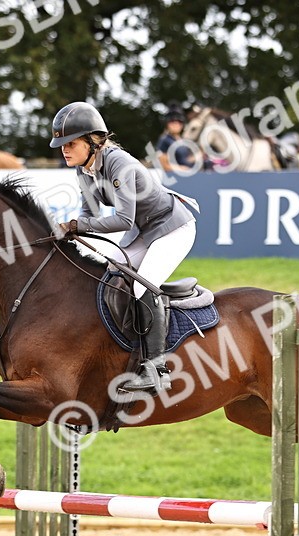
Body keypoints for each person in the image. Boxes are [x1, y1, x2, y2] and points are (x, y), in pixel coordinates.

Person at [51, 101, 198, 395]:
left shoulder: (121, 165)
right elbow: (88, 214)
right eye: (62, 144)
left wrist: (81, 226)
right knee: (112, 272)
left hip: (173, 228)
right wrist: (66, 232)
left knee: (143, 286)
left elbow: (122, 219)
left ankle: (157, 370)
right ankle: (123, 347)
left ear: (92, 141)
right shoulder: (84, 169)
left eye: (71, 143)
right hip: (144, 230)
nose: (64, 149)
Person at [155, 105, 195, 173]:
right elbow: (164, 165)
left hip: (189, 176)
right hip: (174, 177)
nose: (176, 124)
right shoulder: (164, 140)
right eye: (172, 121)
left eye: (179, 122)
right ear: (167, 124)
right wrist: (181, 169)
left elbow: (187, 160)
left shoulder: (183, 142)